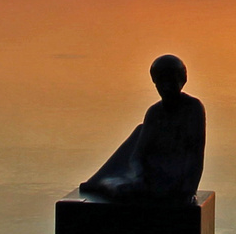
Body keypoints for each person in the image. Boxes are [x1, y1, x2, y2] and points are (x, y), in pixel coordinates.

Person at [81, 54, 206, 202]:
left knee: (119, 188)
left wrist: (189, 190)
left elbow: (196, 154)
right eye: (161, 81)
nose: (166, 87)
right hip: (149, 175)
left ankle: (104, 181)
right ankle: (102, 180)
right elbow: (138, 155)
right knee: (139, 132)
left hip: (172, 182)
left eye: (171, 81)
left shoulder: (192, 108)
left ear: (182, 80)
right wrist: (139, 175)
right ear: (155, 82)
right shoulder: (154, 112)